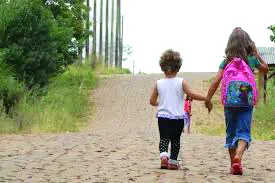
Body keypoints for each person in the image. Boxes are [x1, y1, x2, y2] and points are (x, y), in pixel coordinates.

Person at [206, 27, 269, 175]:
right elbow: (265, 69)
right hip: (246, 103)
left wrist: (208, 99)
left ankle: (233, 164)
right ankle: (238, 157)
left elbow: (216, 82)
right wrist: (257, 53)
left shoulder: (226, 61)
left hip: (229, 102)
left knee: (231, 133)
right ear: (248, 43)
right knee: (244, 132)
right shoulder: (251, 59)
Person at [150, 49, 212, 170]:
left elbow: (152, 101)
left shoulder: (158, 83)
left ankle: (163, 156)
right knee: (175, 140)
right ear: (178, 68)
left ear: (162, 67)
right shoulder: (181, 82)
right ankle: (173, 162)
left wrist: (162, 103)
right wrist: (206, 98)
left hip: (163, 117)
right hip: (178, 118)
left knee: (164, 138)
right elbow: (192, 94)